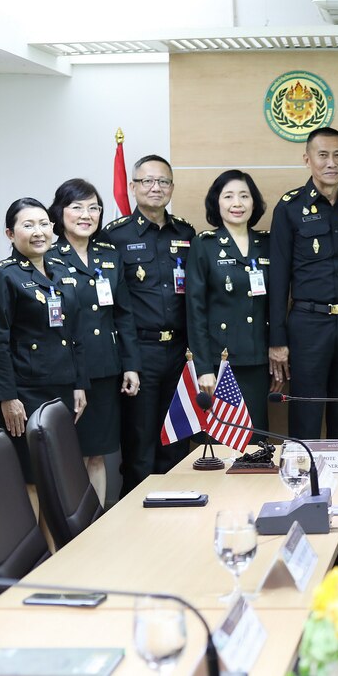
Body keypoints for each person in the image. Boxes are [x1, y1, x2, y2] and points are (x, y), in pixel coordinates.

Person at [268, 128, 338, 439]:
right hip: (308, 324)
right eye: (323, 155)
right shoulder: (289, 207)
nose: (332, 162)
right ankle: (305, 485)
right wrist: (277, 340)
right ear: (308, 160)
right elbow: (278, 278)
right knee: (306, 414)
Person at [98, 155, 196, 496]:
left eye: (164, 182)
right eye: (147, 181)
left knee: (177, 443)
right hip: (140, 353)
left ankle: (177, 521)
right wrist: (128, 361)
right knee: (140, 448)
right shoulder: (115, 236)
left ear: (172, 187)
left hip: (180, 353)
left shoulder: (186, 232)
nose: (156, 188)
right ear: (133, 187)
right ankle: (135, 529)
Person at [0, 197, 88, 480]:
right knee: (31, 479)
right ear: (10, 234)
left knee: (57, 480)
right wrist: (8, 397)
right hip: (25, 393)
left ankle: (54, 528)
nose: (38, 232)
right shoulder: (2, 276)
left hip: (61, 389)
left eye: (44, 224)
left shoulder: (60, 270)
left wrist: (79, 383)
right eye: (28, 225)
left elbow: (73, 333)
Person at [49, 179, 141, 504]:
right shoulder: (47, 256)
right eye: (77, 207)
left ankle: (95, 526)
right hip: (64, 372)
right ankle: (68, 533)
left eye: (93, 207)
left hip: (104, 368)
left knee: (97, 454)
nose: (86, 215)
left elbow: (124, 315)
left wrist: (131, 365)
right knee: (65, 456)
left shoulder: (109, 255)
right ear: (60, 212)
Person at [188, 170, 273, 432]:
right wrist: (203, 367)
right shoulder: (205, 245)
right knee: (221, 445)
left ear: (254, 202)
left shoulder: (267, 243)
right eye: (229, 196)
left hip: (258, 360)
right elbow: (195, 311)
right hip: (219, 362)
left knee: (256, 443)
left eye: (244, 196)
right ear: (217, 202)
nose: (237, 203)